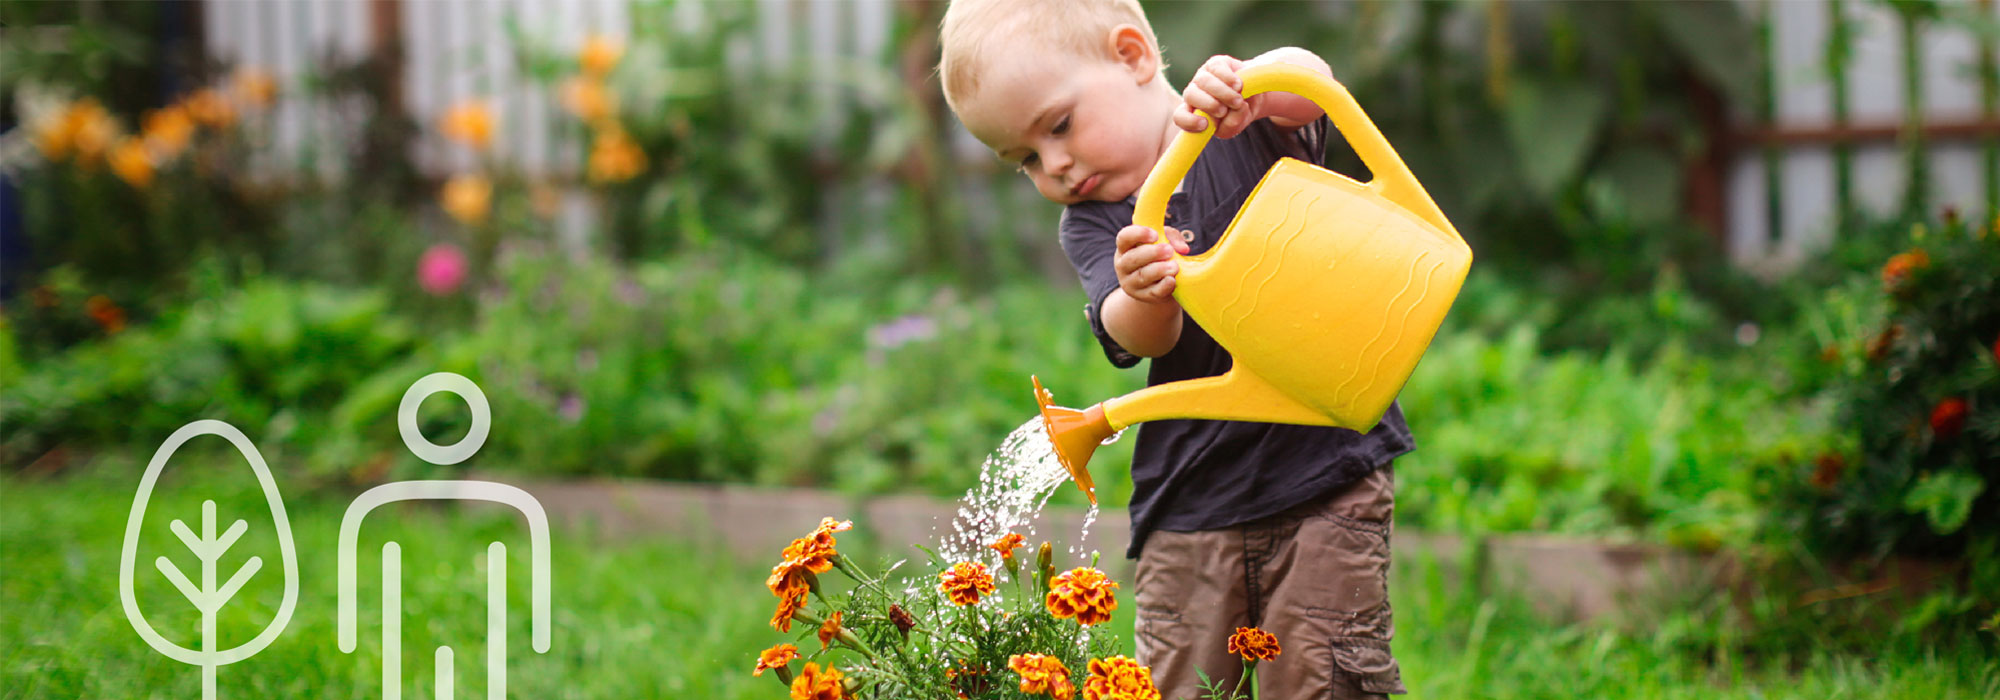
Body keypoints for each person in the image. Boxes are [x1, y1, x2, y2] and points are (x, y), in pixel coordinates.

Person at [938, 1, 1413, 698]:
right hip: (1189, 498)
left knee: (1324, 672)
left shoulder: (1241, 130)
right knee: (1179, 683)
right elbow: (1138, 335)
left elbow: (1311, 86)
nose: (1057, 167)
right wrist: (1143, 292)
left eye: (1059, 127)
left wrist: (1252, 84)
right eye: (1026, 161)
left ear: (1132, 57)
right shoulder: (1096, 223)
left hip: (1324, 466)